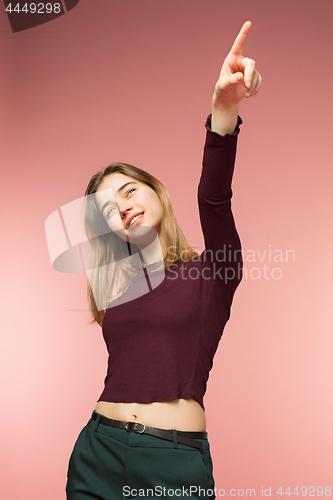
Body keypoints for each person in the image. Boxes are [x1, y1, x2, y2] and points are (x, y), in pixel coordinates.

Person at [65, 20, 262, 500]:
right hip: (97, 451)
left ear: (156, 191)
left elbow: (214, 198)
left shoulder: (213, 272)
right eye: (108, 209)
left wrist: (223, 112)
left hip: (172, 460)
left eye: (129, 190)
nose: (123, 206)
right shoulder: (118, 286)